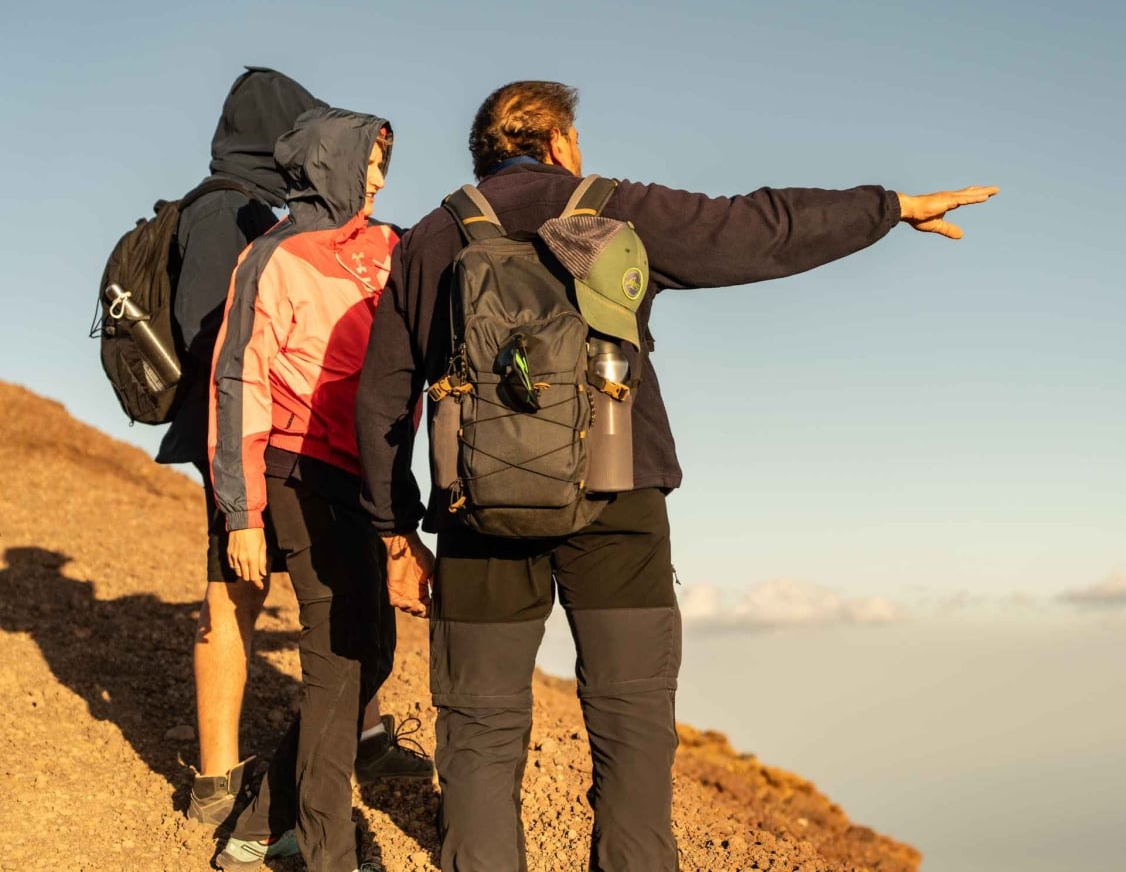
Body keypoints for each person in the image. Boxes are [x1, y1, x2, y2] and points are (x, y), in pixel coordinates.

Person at [355, 80, 995, 872]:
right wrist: (888, 207)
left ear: (485, 153)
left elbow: (382, 398)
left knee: (480, 732)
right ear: (557, 142)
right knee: (631, 721)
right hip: (618, 496)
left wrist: (395, 531)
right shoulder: (613, 211)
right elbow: (756, 228)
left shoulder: (432, 237)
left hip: (478, 510)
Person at [163, 69, 428, 828]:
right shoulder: (224, 213)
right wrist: (241, 496)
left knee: (339, 609)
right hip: (251, 446)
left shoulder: (289, 217)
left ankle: (355, 740)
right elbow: (226, 357)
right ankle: (219, 784)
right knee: (234, 597)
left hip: (298, 448)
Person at [209, 107, 411, 872]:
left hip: (365, 476)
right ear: (337, 161)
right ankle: (330, 853)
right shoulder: (275, 255)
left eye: (384, 162)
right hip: (296, 467)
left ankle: (264, 821)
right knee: (337, 653)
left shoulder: (389, 247)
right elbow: (238, 380)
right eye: (372, 161)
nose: (380, 176)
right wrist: (242, 512)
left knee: (374, 649)